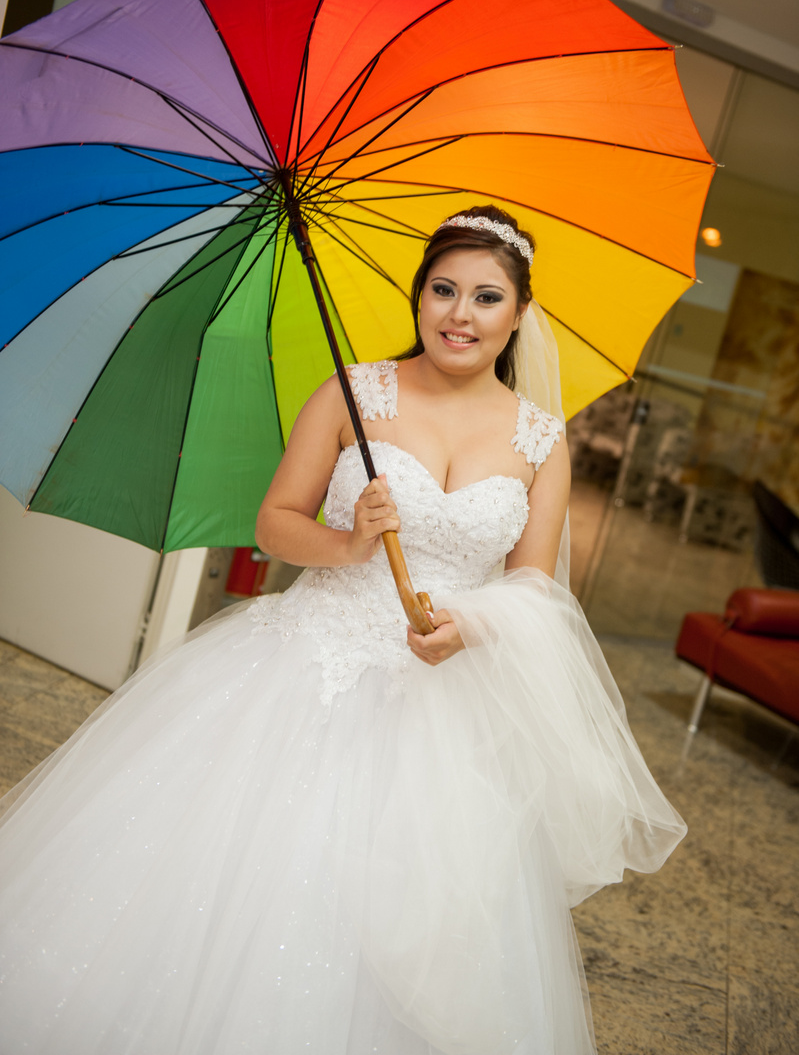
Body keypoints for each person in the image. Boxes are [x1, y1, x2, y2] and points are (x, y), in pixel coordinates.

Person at [0, 205, 686, 1054]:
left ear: (517, 315)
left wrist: (466, 625)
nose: (458, 315)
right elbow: (272, 524)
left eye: (484, 296)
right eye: (442, 290)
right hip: (305, 665)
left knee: (417, 916)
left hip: (445, 700)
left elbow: (534, 589)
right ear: (417, 297)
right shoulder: (354, 394)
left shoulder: (542, 440)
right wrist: (350, 539)